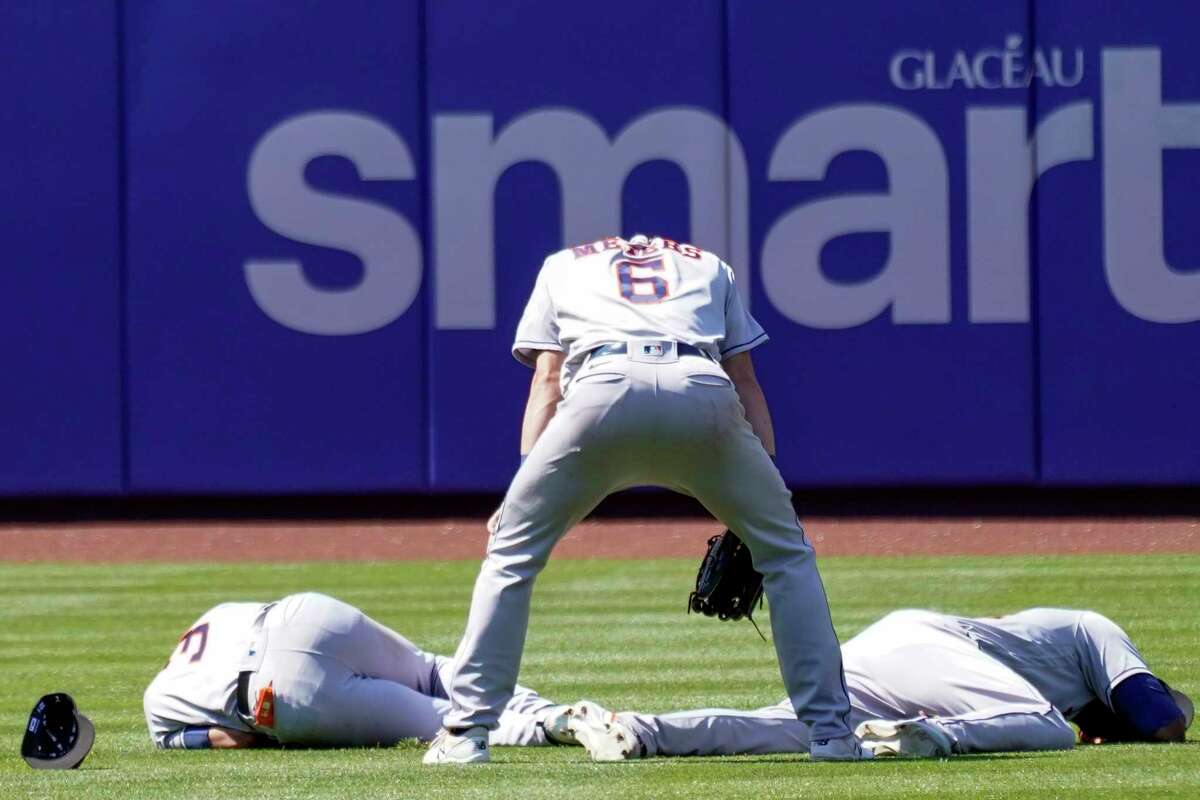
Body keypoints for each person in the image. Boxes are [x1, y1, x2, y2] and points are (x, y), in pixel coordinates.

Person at [425, 234, 867, 764]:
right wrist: (769, 496)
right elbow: (744, 380)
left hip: (600, 390)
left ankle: (465, 736)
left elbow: (547, 380)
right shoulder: (709, 265)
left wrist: (523, 487)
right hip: (700, 386)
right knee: (786, 556)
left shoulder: (562, 263)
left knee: (512, 556)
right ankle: (832, 737)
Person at [563, 608, 1194, 760]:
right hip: (933, 649)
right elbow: (1159, 720)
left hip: (890, 653)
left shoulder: (1071, 689)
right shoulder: (1097, 631)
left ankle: (638, 731)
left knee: (784, 730)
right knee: (1049, 731)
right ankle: (929, 739)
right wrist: (1180, 714)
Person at [143, 593, 574, 750]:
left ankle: (556, 726)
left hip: (279, 691)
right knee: (432, 670)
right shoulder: (212, 614)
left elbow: (233, 739)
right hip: (305, 615)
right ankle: (548, 707)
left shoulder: (158, 702)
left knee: (443, 722)